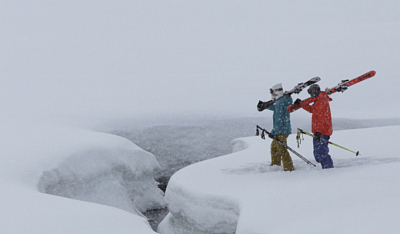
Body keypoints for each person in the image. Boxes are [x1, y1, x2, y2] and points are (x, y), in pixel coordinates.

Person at [293, 84, 334, 169]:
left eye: (310, 92)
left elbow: (321, 118)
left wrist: (319, 131)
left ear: (315, 91)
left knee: (321, 153)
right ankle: (326, 167)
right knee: (317, 154)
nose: (310, 95)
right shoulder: (318, 100)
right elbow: (312, 110)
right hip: (318, 131)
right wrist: (301, 104)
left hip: (322, 132)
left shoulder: (321, 100)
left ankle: (328, 169)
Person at [262, 83, 294, 171]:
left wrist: (273, 132)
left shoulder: (280, 103)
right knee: (274, 147)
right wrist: (265, 105)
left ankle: (289, 168)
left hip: (281, 130)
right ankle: (275, 165)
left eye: (272, 92)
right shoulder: (282, 101)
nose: (271, 94)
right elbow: (276, 108)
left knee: (282, 149)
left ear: (277, 92)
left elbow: (279, 120)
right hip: (283, 129)